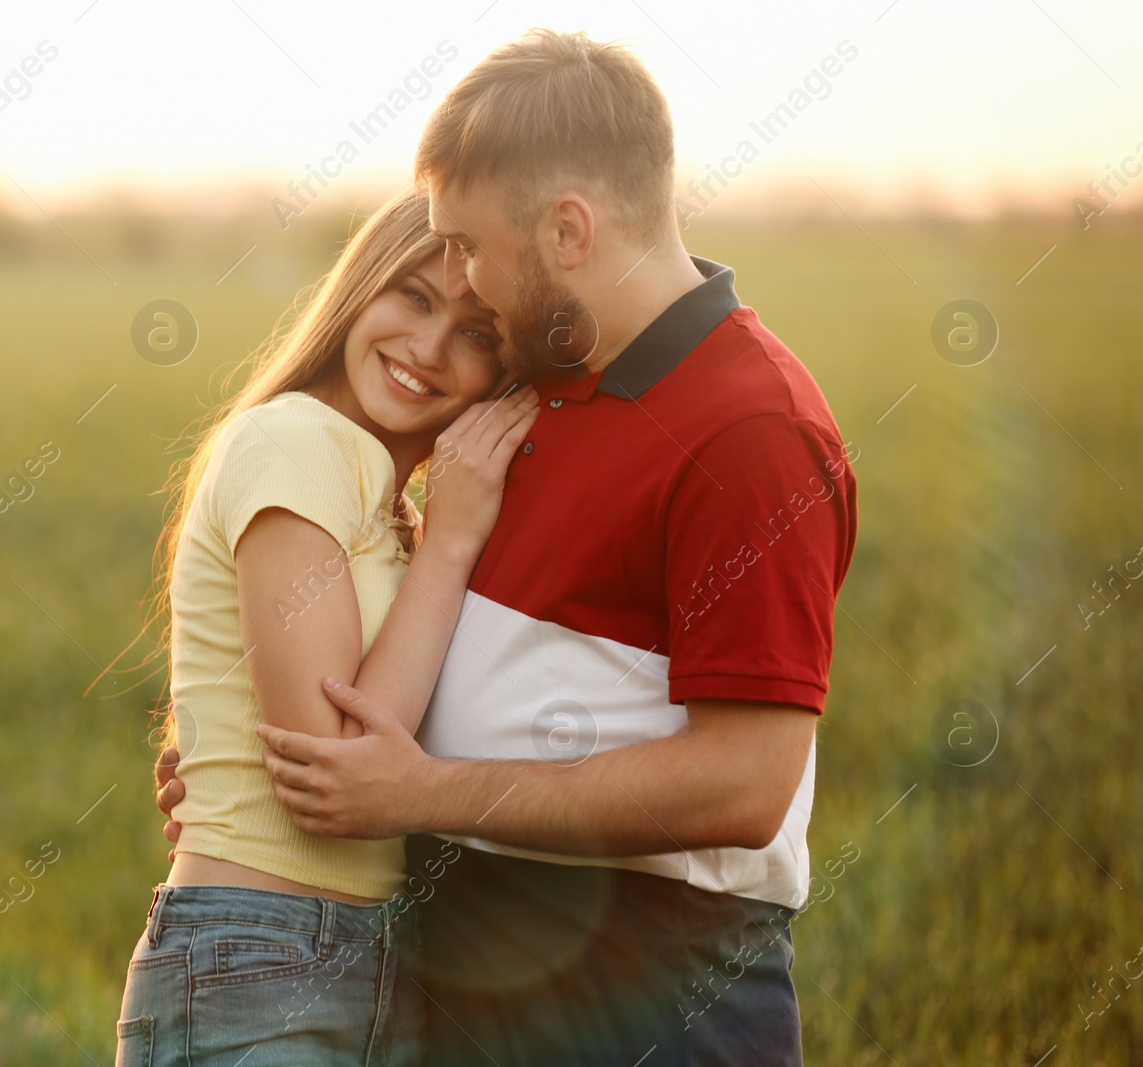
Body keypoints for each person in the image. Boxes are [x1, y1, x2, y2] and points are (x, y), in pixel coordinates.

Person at [156, 30, 859, 1066]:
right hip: (452, 974)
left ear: (567, 231)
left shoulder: (748, 429)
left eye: (471, 248)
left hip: (645, 996)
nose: (465, 282)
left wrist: (412, 792)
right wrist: (238, 762)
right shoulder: (524, 399)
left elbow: (744, 784)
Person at [112, 188, 539, 1067]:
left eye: (475, 333)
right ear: (359, 288)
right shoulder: (296, 444)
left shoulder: (392, 509)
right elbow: (332, 765)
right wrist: (453, 539)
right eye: (413, 298)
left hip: (374, 960)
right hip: (256, 957)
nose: (428, 348)